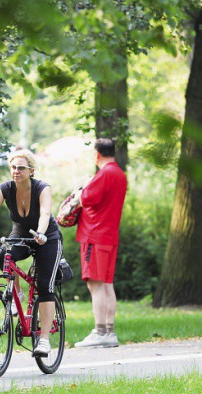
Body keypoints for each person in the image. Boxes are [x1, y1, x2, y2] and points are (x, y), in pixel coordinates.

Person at [0, 149, 63, 356]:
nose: (16, 171)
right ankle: (16, 292)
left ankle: (44, 340)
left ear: (31, 171)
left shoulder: (42, 188)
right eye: (13, 167)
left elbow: (45, 213)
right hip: (21, 235)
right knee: (4, 254)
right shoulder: (6, 189)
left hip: (47, 237)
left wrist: (41, 233)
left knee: (45, 286)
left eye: (21, 168)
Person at [74, 138, 127, 348]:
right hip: (110, 235)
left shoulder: (104, 174)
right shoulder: (120, 174)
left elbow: (85, 198)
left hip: (95, 236)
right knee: (106, 284)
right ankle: (109, 331)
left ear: (97, 155)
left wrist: (82, 187)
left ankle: (100, 332)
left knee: (95, 285)